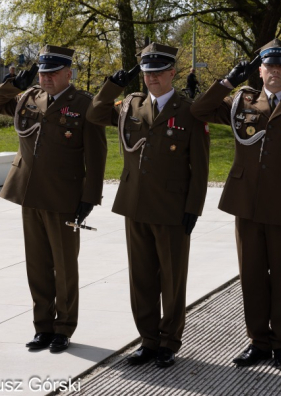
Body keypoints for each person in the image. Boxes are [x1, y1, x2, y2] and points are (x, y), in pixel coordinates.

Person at [191, 39, 281, 371]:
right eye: (269, 66)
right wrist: (227, 81)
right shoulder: (243, 100)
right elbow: (198, 109)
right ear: (260, 70)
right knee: (251, 276)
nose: (275, 71)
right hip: (247, 202)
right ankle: (257, 341)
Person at [87, 43, 210, 368]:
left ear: (172, 72)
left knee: (172, 279)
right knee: (141, 278)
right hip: (135, 204)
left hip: (172, 208)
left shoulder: (188, 110)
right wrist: (113, 83)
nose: (152, 77)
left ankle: (169, 341)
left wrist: (194, 208)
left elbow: (200, 164)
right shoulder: (130, 104)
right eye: (146, 71)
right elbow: (95, 113)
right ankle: (148, 340)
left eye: (158, 71)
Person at [0, 45, 107, 353]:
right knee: (37, 266)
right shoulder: (28, 98)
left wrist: (89, 198)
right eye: (42, 72)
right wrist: (16, 83)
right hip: (28, 192)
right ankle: (43, 327)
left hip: (64, 197)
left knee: (65, 266)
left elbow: (97, 155)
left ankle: (64, 328)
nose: (46, 78)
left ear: (68, 73)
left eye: (52, 73)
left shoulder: (84, 105)